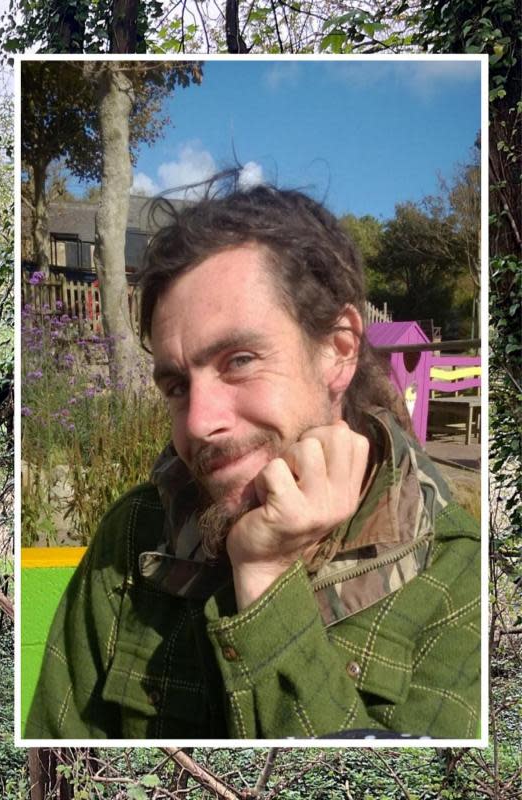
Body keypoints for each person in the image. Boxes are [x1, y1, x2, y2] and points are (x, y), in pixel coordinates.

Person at [25, 179, 481, 740]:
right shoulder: (133, 544)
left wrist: (264, 578)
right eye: (175, 385)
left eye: (239, 360)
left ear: (338, 350)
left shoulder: (455, 579)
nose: (197, 423)